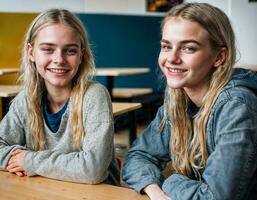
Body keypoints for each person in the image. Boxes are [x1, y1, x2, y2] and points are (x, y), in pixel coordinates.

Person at [122, 3, 257, 200]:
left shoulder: (237, 106)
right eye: (166, 46)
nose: (172, 58)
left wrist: (171, 182)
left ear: (219, 57)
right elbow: (138, 156)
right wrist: (156, 192)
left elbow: (215, 197)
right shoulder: (178, 100)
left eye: (188, 48)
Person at [0, 9, 120, 185]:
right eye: (48, 49)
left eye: (70, 51)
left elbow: (93, 170)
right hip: (43, 190)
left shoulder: (94, 96)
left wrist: (29, 160)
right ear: (31, 52)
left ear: (81, 55)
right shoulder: (25, 99)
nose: (59, 59)